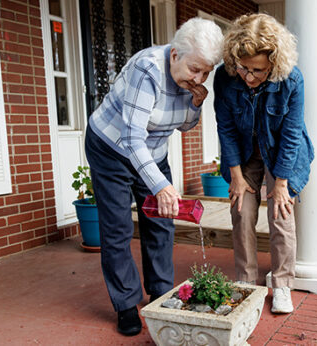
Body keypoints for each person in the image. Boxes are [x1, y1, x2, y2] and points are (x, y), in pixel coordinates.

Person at [84, 18, 223, 336]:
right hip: (112, 148)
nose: (199, 77)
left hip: (153, 153)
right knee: (117, 228)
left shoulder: (191, 80)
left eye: (206, 72)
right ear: (175, 55)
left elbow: (185, 126)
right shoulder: (147, 69)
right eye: (194, 69)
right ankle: (125, 305)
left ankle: (161, 296)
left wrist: (196, 102)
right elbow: (132, 139)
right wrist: (161, 185)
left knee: (161, 224)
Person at [214, 13, 314, 314]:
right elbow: (225, 127)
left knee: (280, 214)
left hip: (281, 153)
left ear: (274, 61)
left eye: (257, 70)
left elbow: (292, 133)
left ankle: (282, 286)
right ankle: (246, 283)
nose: (248, 76)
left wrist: (281, 184)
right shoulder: (225, 76)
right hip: (243, 153)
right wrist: (235, 175)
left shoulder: (292, 79)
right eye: (243, 67)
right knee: (241, 208)